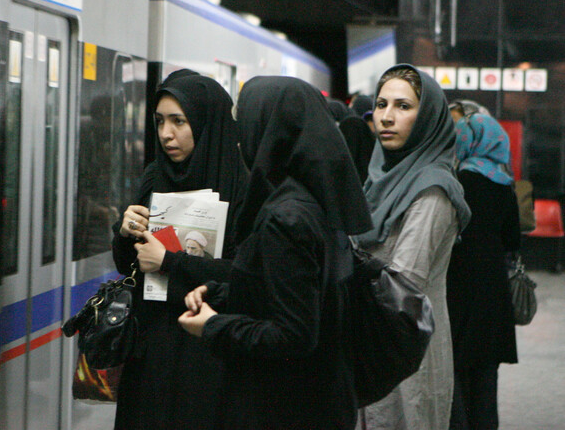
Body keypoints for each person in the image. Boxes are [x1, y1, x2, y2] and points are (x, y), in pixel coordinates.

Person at [178, 76, 373, 430]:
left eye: (245, 121)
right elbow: (302, 293)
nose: (240, 136)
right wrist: (224, 293)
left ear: (268, 130)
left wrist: (214, 326)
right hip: (323, 398)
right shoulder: (318, 201)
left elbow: (294, 335)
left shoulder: (284, 219)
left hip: (284, 407)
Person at [111, 73, 248, 430]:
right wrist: (125, 233)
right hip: (151, 348)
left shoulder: (241, 185)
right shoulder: (155, 176)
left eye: (178, 121)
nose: (166, 134)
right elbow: (129, 266)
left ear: (205, 123)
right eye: (159, 121)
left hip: (208, 350)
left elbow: (244, 273)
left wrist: (171, 262)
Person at [353, 64, 471, 430]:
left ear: (428, 117)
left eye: (403, 106)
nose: (386, 117)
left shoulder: (432, 189)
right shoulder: (380, 179)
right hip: (374, 342)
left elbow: (404, 281)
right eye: (381, 104)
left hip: (405, 351)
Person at [447, 113, 520, 430]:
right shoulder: (504, 185)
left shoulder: (456, 183)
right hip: (493, 286)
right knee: (487, 371)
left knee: (457, 366)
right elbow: (513, 240)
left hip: (457, 282)